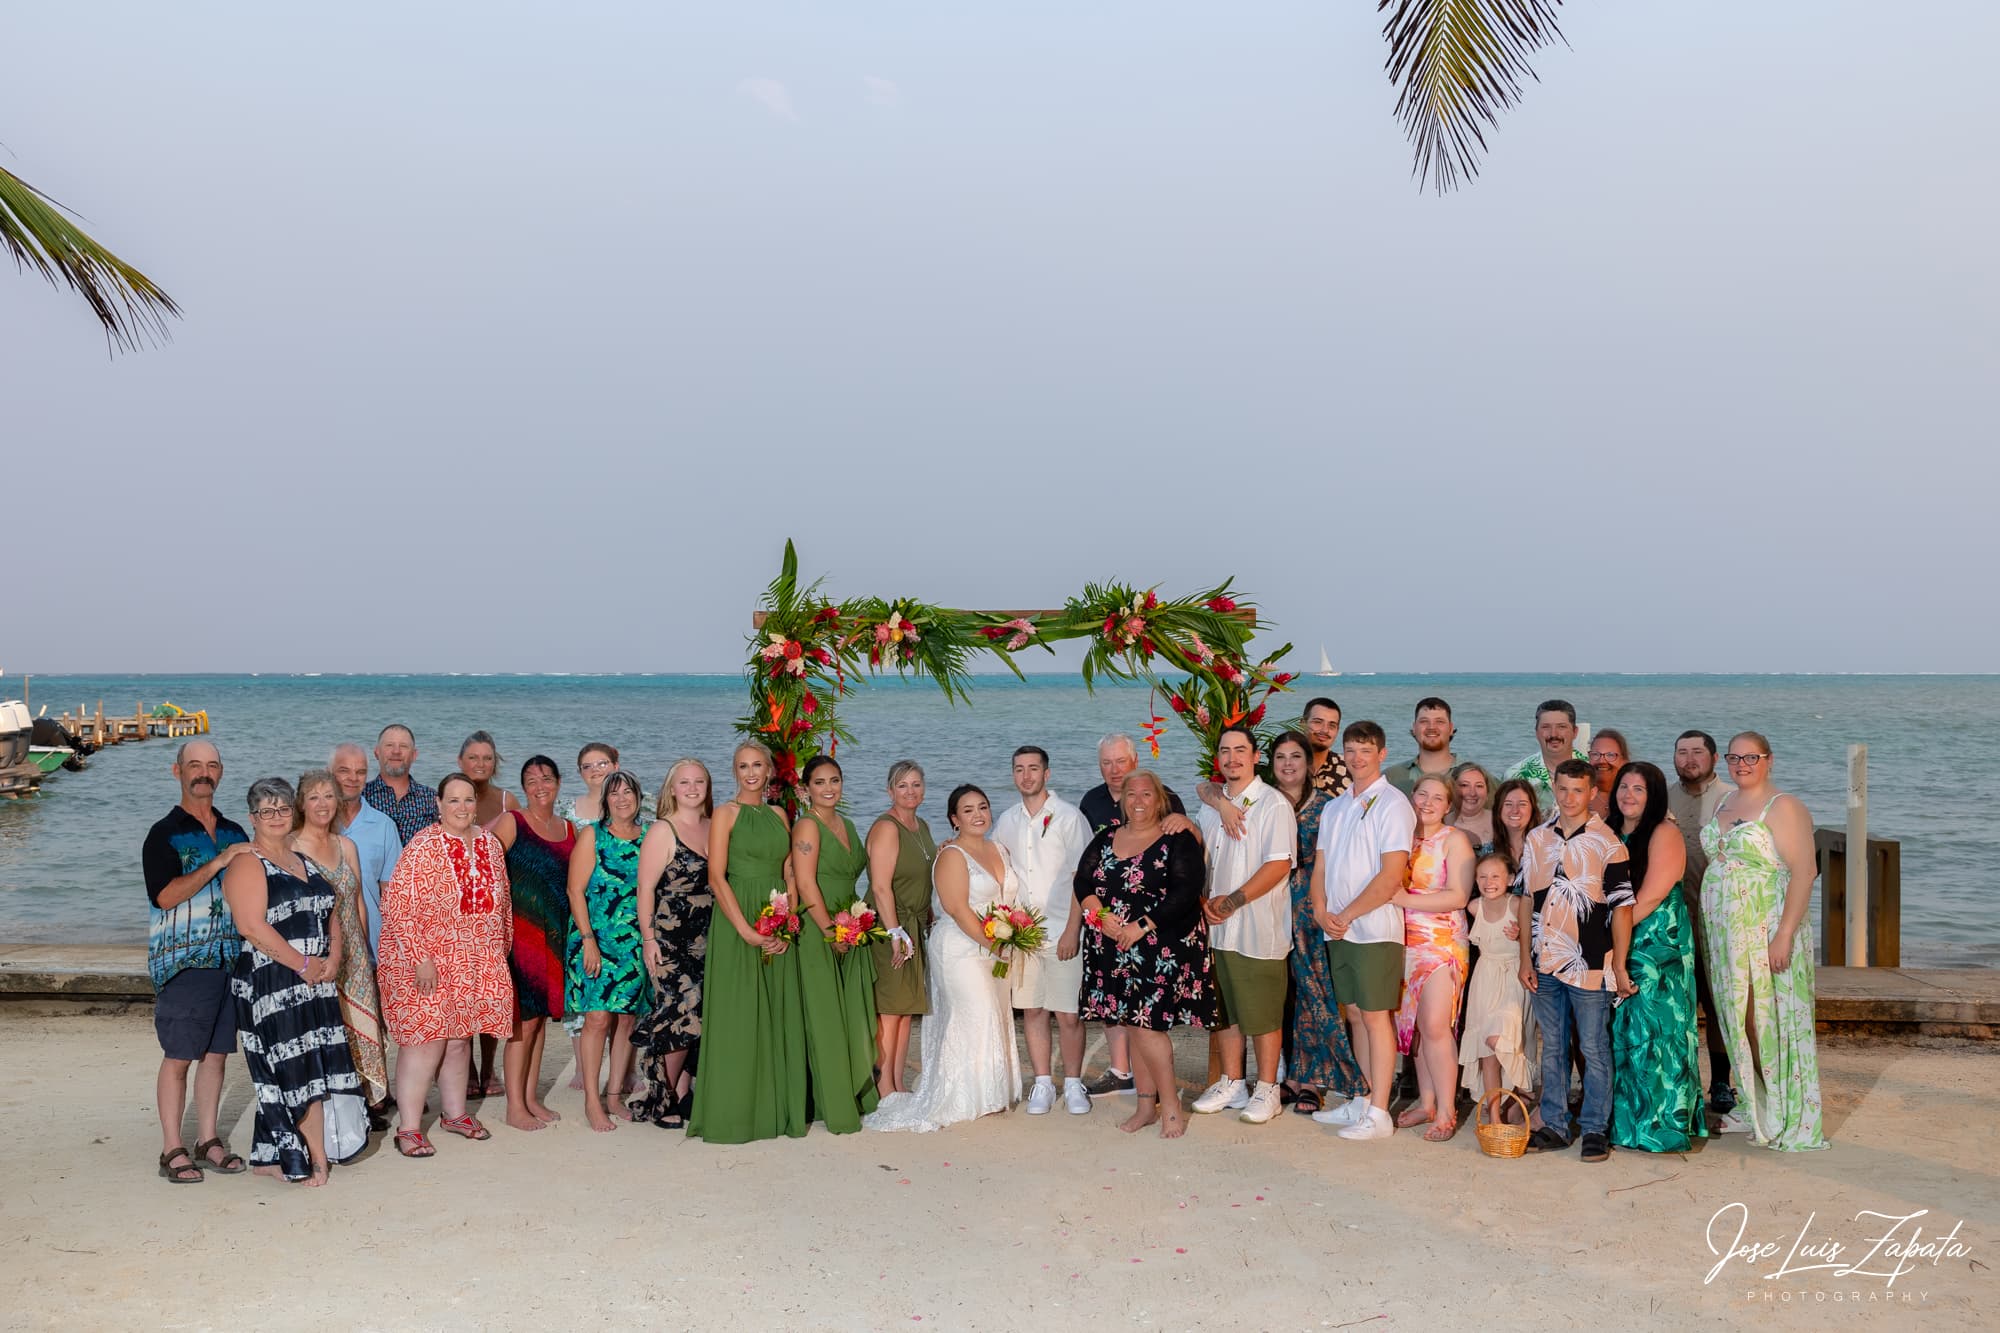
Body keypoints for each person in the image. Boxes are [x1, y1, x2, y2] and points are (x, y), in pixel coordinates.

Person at [222, 777, 368, 1184]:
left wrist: (334, 956)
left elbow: (331, 911)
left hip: (315, 981)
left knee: (309, 1063)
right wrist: (303, 964)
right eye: (266, 811)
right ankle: (315, 1157)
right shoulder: (247, 864)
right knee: (297, 1068)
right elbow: (251, 926)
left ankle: (269, 1157)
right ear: (253, 817)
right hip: (273, 984)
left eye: (283, 808)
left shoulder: (302, 859)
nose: (276, 817)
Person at [865, 786, 1025, 1133]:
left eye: (982, 806)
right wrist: (993, 944)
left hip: (995, 944)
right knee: (975, 1013)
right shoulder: (952, 855)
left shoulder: (999, 849)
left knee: (994, 1014)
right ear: (954, 819)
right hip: (961, 948)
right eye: (967, 810)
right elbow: (955, 908)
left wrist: (1013, 935)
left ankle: (991, 1094)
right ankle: (965, 1097)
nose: (978, 814)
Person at [377, 772, 515, 1157]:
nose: (462, 808)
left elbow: (502, 902)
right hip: (427, 960)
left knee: (459, 1040)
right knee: (425, 1042)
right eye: (453, 800)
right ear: (438, 804)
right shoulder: (423, 846)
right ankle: (407, 1128)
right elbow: (398, 906)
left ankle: (454, 1114)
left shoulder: (489, 844)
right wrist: (421, 958)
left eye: (468, 800)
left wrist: (498, 953)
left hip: (476, 958)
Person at [1700, 732, 1826, 1151]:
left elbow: (1804, 872)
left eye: (1751, 757)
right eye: (1735, 757)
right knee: (1737, 1020)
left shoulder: (1784, 806)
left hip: (1764, 929)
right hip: (1725, 936)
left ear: (1769, 760)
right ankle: (1757, 1102)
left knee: (1765, 1019)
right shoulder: (1724, 802)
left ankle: (1783, 1107)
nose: (1742, 764)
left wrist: (1784, 935)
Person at [1073, 769, 1211, 1138]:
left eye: (1146, 794)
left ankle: (1170, 1107)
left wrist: (1141, 925)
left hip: (1159, 945)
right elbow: (1083, 881)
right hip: (1112, 946)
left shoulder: (1176, 838)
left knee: (1149, 1029)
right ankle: (1146, 1106)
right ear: (1121, 800)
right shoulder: (1106, 838)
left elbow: (1186, 892)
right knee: (1134, 1027)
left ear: (1160, 799)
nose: (1137, 800)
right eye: (1130, 794)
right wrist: (1101, 917)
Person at [142, 740, 253, 1184]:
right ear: (177, 771)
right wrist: (219, 863)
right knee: (179, 1057)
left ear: (220, 773)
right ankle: (172, 1148)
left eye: (211, 766)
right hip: (186, 962)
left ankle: (208, 1140)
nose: (202, 773)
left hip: (232, 960)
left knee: (217, 1055)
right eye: (194, 765)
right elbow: (165, 895)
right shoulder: (163, 833)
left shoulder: (234, 831)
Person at [688, 741, 807, 1144]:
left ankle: (776, 1111)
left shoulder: (779, 814)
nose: (751, 772)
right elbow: (716, 877)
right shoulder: (725, 813)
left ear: (770, 771)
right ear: (734, 771)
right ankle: (734, 1113)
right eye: (743, 766)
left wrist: (785, 924)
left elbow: (790, 869)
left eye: (758, 765)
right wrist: (745, 931)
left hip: (775, 919)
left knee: (777, 1013)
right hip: (737, 921)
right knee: (738, 1016)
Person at [1519, 759, 1634, 1164]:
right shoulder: (1536, 839)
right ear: (1554, 787)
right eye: (1563, 789)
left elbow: (1622, 910)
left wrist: (1618, 965)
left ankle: (1594, 1129)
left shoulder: (1608, 844)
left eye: (1578, 791)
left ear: (1592, 794)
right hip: (1544, 960)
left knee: (1593, 1047)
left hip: (1588, 963)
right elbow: (1526, 900)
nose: (1569, 798)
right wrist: (1525, 959)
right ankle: (1553, 1123)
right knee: (1551, 1047)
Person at [1308, 722, 1416, 1141]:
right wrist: (1320, 911)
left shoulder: (1393, 804)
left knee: (1375, 1017)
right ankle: (1362, 1095)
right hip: (1337, 928)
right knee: (1352, 1013)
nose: (1356, 757)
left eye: (1365, 750)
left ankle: (1379, 1113)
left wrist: (1348, 913)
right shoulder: (1335, 808)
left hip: (1373, 929)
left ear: (1382, 754)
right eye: (1350, 750)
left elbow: (1391, 877)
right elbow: (1320, 866)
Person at [1190, 727, 1296, 1127]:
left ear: (1255, 757)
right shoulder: (1212, 806)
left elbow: (1278, 864)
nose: (1232, 757)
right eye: (1225, 751)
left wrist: (1233, 900)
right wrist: (1203, 901)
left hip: (1256, 925)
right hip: (1217, 927)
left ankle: (1267, 1088)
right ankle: (1232, 1081)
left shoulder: (1272, 804)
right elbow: (1203, 862)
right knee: (1226, 1010)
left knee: (1264, 1012)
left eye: (1240, 750)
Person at [1076, 733, 1189, 1098]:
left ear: (1135, 759)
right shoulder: (1091, 802)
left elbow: (1184, 863)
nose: (1114, 770)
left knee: (1147, 1018)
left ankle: (1156, 1089)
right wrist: (1096, 919)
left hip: (1153, 931)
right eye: (1106, 763)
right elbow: (1083, 874)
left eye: (1120, 762)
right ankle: (1120, 1071)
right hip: (1106, 926)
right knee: (1113, 1003)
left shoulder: (1166, 797)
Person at [1606, 761, 1708, 1153]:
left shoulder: (1664, 833)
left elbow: (1649, 896)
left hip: (1657, 942)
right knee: (1626, 1030)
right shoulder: (1610, 831)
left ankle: (1664, 1125)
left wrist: (1614, 936)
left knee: (1660, 1032)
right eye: (1624, 787)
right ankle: (1628, 1124)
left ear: (1654, 796)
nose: (1629, 795)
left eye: (1639, 789)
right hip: (1622, 934)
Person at [1268, 731, 1368, 1119]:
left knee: (1314, 995)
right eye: (1280, 757)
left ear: (1310, 764)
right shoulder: (1263, 802)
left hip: (1311, 914)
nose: (1288, 764)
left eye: (1296, 756)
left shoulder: (1329, 806)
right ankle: (1285, 1075)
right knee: (1278, 994)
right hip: (1269, 909)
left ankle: (1313, 1079)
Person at [995, 745, 1094, 1116]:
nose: (1026, 776)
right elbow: (994, 865)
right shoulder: (1006, 820)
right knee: (1033, 1010)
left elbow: (1082, 878)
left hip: (1061, 929)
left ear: (1047, 774)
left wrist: (1073, 929)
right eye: (1019, 769)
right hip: (1023, 933)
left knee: (1068, 1014)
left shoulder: (1069, 818)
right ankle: (1042, 1083)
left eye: (1033, 768)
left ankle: (1072, 1083)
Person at [289, 768, 388, 1118]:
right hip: (314, 951)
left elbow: (358, 899)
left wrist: (364, 953)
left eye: (329, 796)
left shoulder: (347, 846)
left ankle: (366, 1101)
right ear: (301, 803)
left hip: (354, 953)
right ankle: (330, 1105)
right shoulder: (290, 847)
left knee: (361, 1027)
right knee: (323, 1027)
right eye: (313, 796)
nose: (322, 803)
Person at [790, 756, 881, 1133]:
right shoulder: (807, 827)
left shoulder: (844, 823)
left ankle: (855, 1091)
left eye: (835, 780)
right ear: (806, 788)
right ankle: (835, 1104)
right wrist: (830, 931)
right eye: (820, 782)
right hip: (820, 927)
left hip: (850, 923)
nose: (829, 788)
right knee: (826, 1016)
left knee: (852, 1016)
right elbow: (806, 883)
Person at [488, 754, 574, 1131]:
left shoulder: (569, 829)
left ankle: (530, 1098)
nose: (540, 786)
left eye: (547, 778)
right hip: (519, 937)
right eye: (532, 780)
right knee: (522, 1023)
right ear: (523, 788)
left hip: (554, 935)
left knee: (540, 1022)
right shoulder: (513, 821)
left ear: (558, 782)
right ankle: (514, 1107)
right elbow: (481, 862)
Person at [629, 759, 716, 1129]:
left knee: (699, 1017)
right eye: (685, 782)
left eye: (699, 781)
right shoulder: (662, 831)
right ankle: (662, 1098)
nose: (693, 788)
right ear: (672, 788)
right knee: (682, 1011)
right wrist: (649, 940)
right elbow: (645, 888)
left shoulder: (715, 827)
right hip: (669, 939)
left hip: (710, 936)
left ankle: (679, 1094)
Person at [1390, 775, 1475, 1141]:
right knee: (1415, 1028)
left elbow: (1458, 896)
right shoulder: (1400, 838)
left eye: (1437, 797)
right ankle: (1425, 1102)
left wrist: (1403, 899)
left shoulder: (1455, 841)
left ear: (1448, 805)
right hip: (1401, 942)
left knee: (1437, 1026)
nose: (1427, 801)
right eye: (1422, 793)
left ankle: (1446, 1109)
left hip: (1442, 944)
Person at [564, 769, 650, 1132]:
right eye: (614, 794)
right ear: (605, 801)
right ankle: (591, 1101)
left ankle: (615, 1095)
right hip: (593, 938)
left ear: (639, 797)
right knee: (598, 1018)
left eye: (628, 792)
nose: (621, 799)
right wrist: (588, 940)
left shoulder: (650, 837)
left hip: (633, 939)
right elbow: (574, 891)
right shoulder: (592, 836)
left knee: (627, 1019)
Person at [1669, 728, 1736, 1114]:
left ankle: (1722, 1083)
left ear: (1713, 757)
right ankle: (1682, 1080)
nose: (1690, 759)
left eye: (1697, 752)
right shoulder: (1664, 796)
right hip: (1677, 916)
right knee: (1679, 1003)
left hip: (1719, 918)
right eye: (1682, 752)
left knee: (1718, 1003)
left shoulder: (1730, 797)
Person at [867, 760, 936, 1098]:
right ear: (890, 790)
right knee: (890, 1010)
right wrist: (895, 933)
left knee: (907, 1010)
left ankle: (897, 1081)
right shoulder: (887, 828)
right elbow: (880, 887)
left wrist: (929, 912)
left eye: (916, 784)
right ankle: (883, 1085)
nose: (911, 791)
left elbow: (923, 873)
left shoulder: (921, 825)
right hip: (889, 926)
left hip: (914, 924)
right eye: (903, 785)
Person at [559, 741, 622, 1089]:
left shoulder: (629, 804)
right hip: (579, 907)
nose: (596, 770)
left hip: (619, 913)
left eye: (602, 763)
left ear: (616, 764)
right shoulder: (568, 809)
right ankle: (584, 1071)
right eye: (587, 766)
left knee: (619, 993)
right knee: (582, 989)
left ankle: (621, 1071)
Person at [1458, 852, 1531, 1106]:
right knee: (1487, 1052)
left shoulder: (1517, 904)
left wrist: (1520, 935)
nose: (1489, 882)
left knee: (1500, 1039)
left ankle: (1522, 1091)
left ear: (1510, 878)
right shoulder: (1474, 907)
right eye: (1482, 877)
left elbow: (1535, 941)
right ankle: (1495, 1116)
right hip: (1485, 978)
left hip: (1511, 975)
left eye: (1496, 876)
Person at [328, 742, 402, 958]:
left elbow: (392, 896)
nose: (353, 778)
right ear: (329, 773)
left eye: (360, 772)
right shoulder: (313, 826)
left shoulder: (385, 826)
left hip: (372, 948)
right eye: (344, 771)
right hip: (321, 949)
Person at [363, 723, 439, 845]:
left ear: (414, 755)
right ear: (377, 752)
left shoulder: (431, 798)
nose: (396, 751)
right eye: (389, 745)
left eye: (403, 746)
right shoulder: (362, 797)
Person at [1505, 700, 1588, 803]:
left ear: (1575, 732)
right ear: (1537, 732)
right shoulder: (1516, 775)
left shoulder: (1592, 770)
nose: (1553, 734)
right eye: (1546, 727)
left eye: (1561, 727)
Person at [1383, 697, 1463, 796]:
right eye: (1424, 721)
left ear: (1451, 728)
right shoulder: (1390, 778)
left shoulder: (1474, 778)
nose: (1431, 727)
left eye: (1439, 721)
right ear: (1414, 728)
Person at [458, 730, 522, 828]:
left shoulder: (507, 802)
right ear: (460, 761)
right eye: (472, 758)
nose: (480, 764)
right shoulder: (447, 800)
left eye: (487, 758)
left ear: (494, 762)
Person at [1301, 697, 1352, 798]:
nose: (1325, 730)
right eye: (1318, 722)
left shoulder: (1350, 769)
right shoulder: (1285, 765)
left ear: (1337, 730)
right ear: (1302, 724)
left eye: (1332, 725)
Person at [1447, 763, 1495, 848]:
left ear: (1487, 793)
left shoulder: (1501, 822)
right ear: (1451, 789)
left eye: (1479, 786)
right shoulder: (1440, 823)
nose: (1472, 793)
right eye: (1464, 785)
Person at [1586, 728, 1630, 820]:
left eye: (1610, 755)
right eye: (1595, 754)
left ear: (1624, 762)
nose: (1601, 760)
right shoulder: (1576, 796)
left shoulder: (1638, 797)